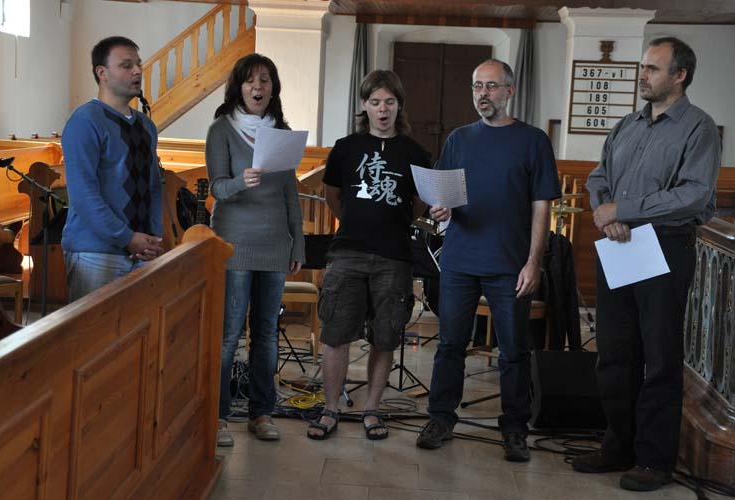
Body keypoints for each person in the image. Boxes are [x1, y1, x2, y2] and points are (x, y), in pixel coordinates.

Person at [573, 37, 721, 492]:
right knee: (615, 353)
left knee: (658, 357)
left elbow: (694, 194)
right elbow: (598, 177)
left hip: (665, 247)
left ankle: (655, 459)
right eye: (643, 67)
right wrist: (608, 213)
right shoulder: (627, 124)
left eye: (653, 69)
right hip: (619, 244)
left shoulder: (699, 128)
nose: (643, 75)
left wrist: (625, 209)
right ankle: (618, 446)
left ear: (680, 75)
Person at [416, 59, 561, 462]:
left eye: (491, 86)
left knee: (513, 350)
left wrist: (533, 261)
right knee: (450, 345)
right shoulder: (459, 139)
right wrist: (439, 210)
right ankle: (441, 418)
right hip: (460, 259)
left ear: (509, 91)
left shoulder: (533, 141)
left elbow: (542, 206)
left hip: (510, 264)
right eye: (477, 86)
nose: (483, 93)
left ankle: (514, 428)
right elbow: (442, 198)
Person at [306, 70, 430, 441]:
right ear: (364, 106)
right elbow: (332, 195)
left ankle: (372, 410)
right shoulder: (346, 147)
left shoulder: (415, 153)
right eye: (375, 102)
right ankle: (330, 409)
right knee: (336, 334)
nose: (382, 109)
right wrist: (354, 220)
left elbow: (419, 203)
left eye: (389, 102)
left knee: (385, 337)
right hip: (348, 252)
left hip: (394, 256)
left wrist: (394, 222)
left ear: (399, 106)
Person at [205, 53, 305, 447]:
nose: (258, 87)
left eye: (265, 80)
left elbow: (291, 195)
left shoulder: (282, 132)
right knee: (228, 335)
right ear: (239, 87)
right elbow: (216, 189)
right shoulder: (221, 130)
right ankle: (217, 417)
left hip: (275, 244)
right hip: (234, 243)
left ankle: (261, 413)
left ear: (273, 88)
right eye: (250, 80)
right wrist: (239, 182)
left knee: (266, 334)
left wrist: (297, 242)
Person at [61, 36, 164, 303]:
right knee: (93, 329)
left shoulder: (146, 126)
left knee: (140, 327)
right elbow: (84, 196)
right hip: (96, 252)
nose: (137, 71)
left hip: (141, 251)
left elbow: (153, 186)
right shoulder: (85, 121)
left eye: (138, 64)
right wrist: (126, 237)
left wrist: (153, 237)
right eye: (126, 65)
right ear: (102, 73)